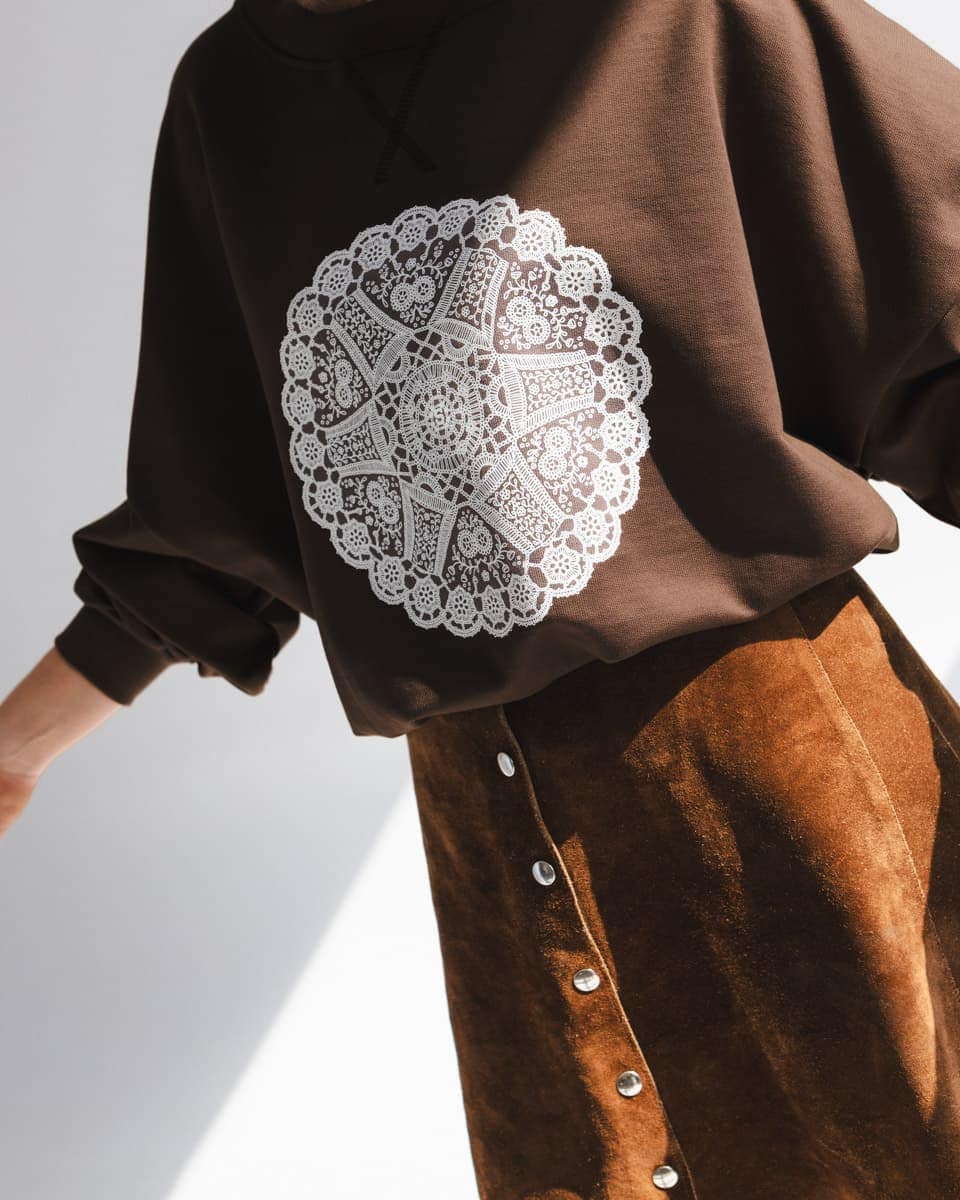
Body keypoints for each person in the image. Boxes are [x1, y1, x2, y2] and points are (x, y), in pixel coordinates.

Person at [3, 0, 960, 1194]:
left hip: (788, 787)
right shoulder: (231, 99)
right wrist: (16, 752)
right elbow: (214, 514)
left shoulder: (665, 16)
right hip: (492, 841)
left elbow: (939, 308)